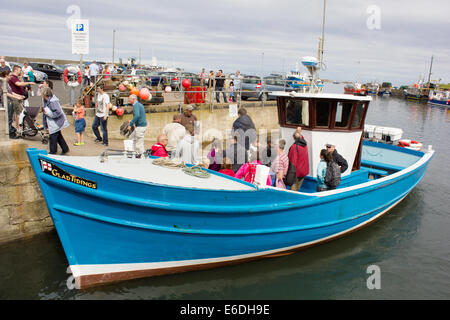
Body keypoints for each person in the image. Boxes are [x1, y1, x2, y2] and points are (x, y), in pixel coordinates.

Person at [8, 65, 36, 134]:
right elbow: (18, 84)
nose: (21, 71)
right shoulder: (13, 77)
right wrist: (29, 83)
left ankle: (18, 126)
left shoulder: (16, 77)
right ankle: (18, 127)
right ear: (16, 70)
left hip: (19, 97)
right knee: (17, 113)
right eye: (20, 70)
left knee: (18, 112)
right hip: (15, 98)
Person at [42, 87, 69, 155]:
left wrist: (50, 114)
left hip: (55, 122)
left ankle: (53, 152)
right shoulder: (48, 101)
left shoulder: (52, 102)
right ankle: (65, 149)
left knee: (53, 137)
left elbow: (58, 112)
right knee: (58, 136)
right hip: (54, 122)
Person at [0, 70, 25, 139]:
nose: (11, 77)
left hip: (10, 101)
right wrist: (16, 97)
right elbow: (6, 93)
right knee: (9, 118)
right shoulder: (2, 83)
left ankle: (11, 131)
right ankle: (10, 134)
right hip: (7, 101)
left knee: (10, 117)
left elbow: (11, 92)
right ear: (6, 75)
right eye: (10, 75)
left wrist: (19, 96)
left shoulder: (6, 83)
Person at [287, 127, 309, 191]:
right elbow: (301, 137)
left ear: (294, 138)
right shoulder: (304, 144)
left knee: (293, 189)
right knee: (298, 188)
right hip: (303, 171)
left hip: (296, 172)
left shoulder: (294, 147)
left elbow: (292, 161)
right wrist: (299, 132)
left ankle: (293, 200)